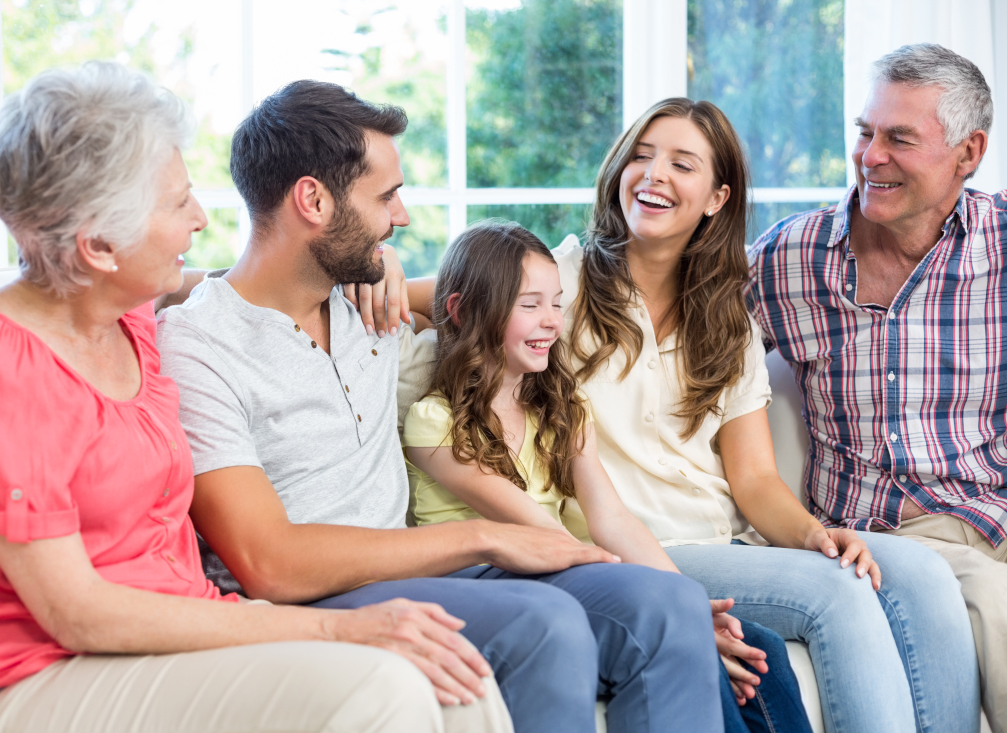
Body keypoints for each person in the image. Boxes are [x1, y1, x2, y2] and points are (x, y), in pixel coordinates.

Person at [0, 62, 515, 733]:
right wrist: (339, 631)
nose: (200, 217)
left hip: (170, 627)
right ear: (100, 246)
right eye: (177, 204)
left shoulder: (124, 311)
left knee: (456, 678)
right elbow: (73, 609)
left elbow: (252, 283)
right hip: (30, 672)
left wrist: (373, 261)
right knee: (386, 685)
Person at [156, 80, 725, 733]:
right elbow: (268, 561)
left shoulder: (367, 308)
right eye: (386, 197)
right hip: (322, 593)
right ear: (313, 200)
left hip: (424, 569)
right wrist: (484, 536)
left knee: (671, 605)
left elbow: (481, 305)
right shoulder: (200, 346)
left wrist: (384, 267)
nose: (400, 218)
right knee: (547, 624)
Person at [402, 97, 979, 733]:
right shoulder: (557, 283)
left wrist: (814, 534)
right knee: (838, 595)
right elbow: (455, 296)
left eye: (682, 164)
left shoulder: (730, 318)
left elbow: (755, 481)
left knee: (921, 571)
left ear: (715, 198)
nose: (654, 175)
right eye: (641, 158)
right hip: (635, 544)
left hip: (725, 539)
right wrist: (378, 273)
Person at [403, 218, 813, 733]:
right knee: (690, 642)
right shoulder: (433, 424)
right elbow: (535, 529)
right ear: (461, 311)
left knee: (761, 647)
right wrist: (673, 613)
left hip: (558, 570)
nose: (552, 320)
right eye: (530, 305)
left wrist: (689, 601)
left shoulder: (562, 406)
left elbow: (611, 515)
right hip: (485, 578)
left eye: (557, 302)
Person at [747, 42, 1004, 732]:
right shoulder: (790, 257)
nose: (871, 156)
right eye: (866, 132)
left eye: (899, 138)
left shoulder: (1002, 247)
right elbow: (639, 293)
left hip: (992, 515)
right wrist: (446, 287)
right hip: (877, 532)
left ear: (968, 152)